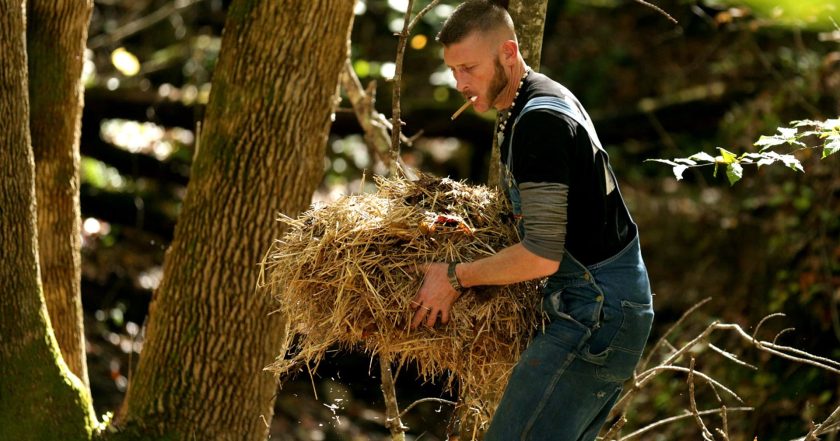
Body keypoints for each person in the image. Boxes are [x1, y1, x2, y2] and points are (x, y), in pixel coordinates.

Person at [410, 1, 655, 440]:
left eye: (469, 68)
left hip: (596, 315)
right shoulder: (536, 98)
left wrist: (454, 277)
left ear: (508, 52)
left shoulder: (540, 123)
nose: (460, 83)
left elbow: (541, 256)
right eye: (453, 70)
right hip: (605, 307)